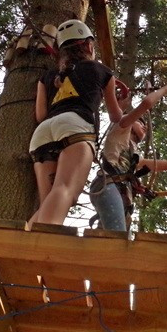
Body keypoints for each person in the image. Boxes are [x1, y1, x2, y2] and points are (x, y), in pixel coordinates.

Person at [28, 19, 122, 227]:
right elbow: (116, 117)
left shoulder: (46, 77)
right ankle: (44, 243)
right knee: (64, 190)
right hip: (76, 127)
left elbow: (41, 115)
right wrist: (122, 102)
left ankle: (24, 241)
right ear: (89, 45)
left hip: (42, 134)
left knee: (49, 201)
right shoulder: (103, 71)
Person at [90, 81, 167, 231]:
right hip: (108, 185)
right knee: (117, 239)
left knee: (110, 240)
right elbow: (146, 104)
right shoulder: (120, 128)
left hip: (118, 193)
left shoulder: (135, 158)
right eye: (140, 122)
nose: (145, 127)